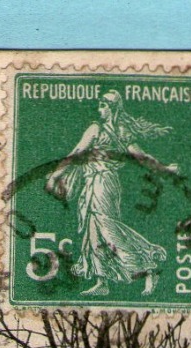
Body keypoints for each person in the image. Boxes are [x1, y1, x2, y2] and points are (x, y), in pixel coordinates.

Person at [45, 89, 177, 298]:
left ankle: (148, 265)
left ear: (113, 108)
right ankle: (102, 280)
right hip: (93, 182)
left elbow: (140, 157)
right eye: (99, 105)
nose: (100, 108)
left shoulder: (108, 130)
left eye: (104, 105)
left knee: (107, 227)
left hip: (103, 183)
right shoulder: (104, 129)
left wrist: (164, 169)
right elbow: (77, 153)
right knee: (93, 231)